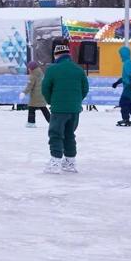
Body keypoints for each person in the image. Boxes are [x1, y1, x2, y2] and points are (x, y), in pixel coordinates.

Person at [41, 40, 89, 174]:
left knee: (56, 134)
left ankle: (55, 162)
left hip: (59, 109)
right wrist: (76, 101)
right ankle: (70, 162)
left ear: (56, 55)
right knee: (69, 134)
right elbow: (85, 88)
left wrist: (52, 101)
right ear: (68, 54)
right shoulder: (78, 70)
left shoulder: (53, 70)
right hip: (74, 109)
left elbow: (45, 88)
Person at [112, 45, 131, 127]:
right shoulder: (129, 62)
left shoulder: (127, 63)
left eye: (121, 54)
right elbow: (125, 77)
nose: (120, 56)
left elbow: (130, 75)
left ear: (124, 54)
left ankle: (126, 119)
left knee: (123, 102)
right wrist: (117, 83)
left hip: (130, 86)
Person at [20, 60, 50, 127]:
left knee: (31, 108)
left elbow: (29, 86)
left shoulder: (33, 75)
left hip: (35, 96)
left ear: (31, 68)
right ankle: (51, 121)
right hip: (42, 94)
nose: (28, 69)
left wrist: (24, 93)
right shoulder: (41, 73)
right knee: (43, 108)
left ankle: (31, 122)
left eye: (29, 68)